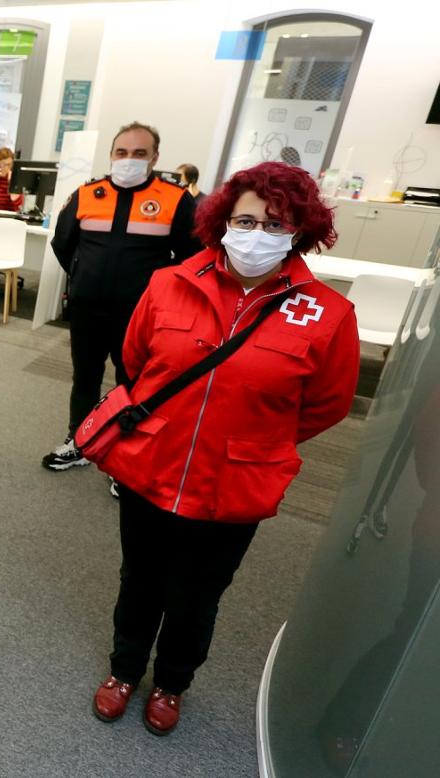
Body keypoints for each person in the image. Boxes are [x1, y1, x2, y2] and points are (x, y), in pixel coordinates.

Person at [88, 161, 360, 736]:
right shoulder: (170, 283)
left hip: (236, 481)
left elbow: (328, 404)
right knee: (140, 579)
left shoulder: (328, 313)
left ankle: (172, 683)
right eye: (246, 220)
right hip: (152, 464)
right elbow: (136, 363)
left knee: (197, 596)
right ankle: (124, 670)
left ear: (299, 231)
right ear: (223, 222)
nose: (257, 234)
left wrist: (256, 440)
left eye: (275, 225)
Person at [43, 121, 201, 473]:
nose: (129, 159)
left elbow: (192, 257)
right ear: (111, 155)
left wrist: (163, 295)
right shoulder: (88, 194)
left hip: (141, 314)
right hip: (88, 308)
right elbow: (62, 244)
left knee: (134, 383)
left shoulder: (176, 199)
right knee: (85, 377)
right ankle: (80, 441)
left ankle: (127, 458)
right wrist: (83, 277)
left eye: (140, 153)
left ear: (155, 158)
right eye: (122, 152)